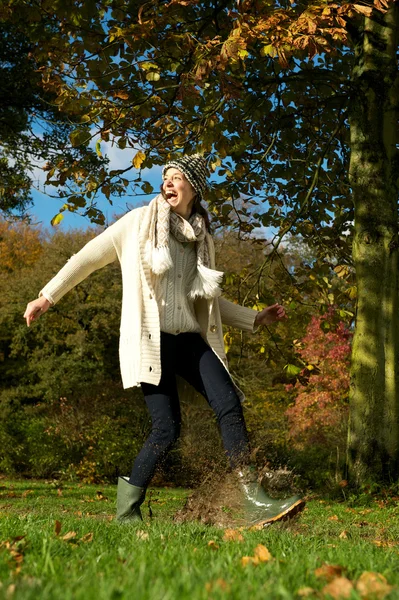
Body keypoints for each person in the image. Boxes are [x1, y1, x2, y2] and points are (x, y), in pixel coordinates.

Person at [24, 154, 305, 527]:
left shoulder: (201, 238)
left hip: (188, 340)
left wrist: (255, 318)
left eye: (177, 178)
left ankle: (253, 498)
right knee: (167, 429)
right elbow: (88, 257)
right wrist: (47, 296)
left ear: (194, 188)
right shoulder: (139, 223)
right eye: (166, 177)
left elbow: (206, 300)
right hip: (151, 341)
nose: (168, 183)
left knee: (229, 404)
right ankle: (127, 511)